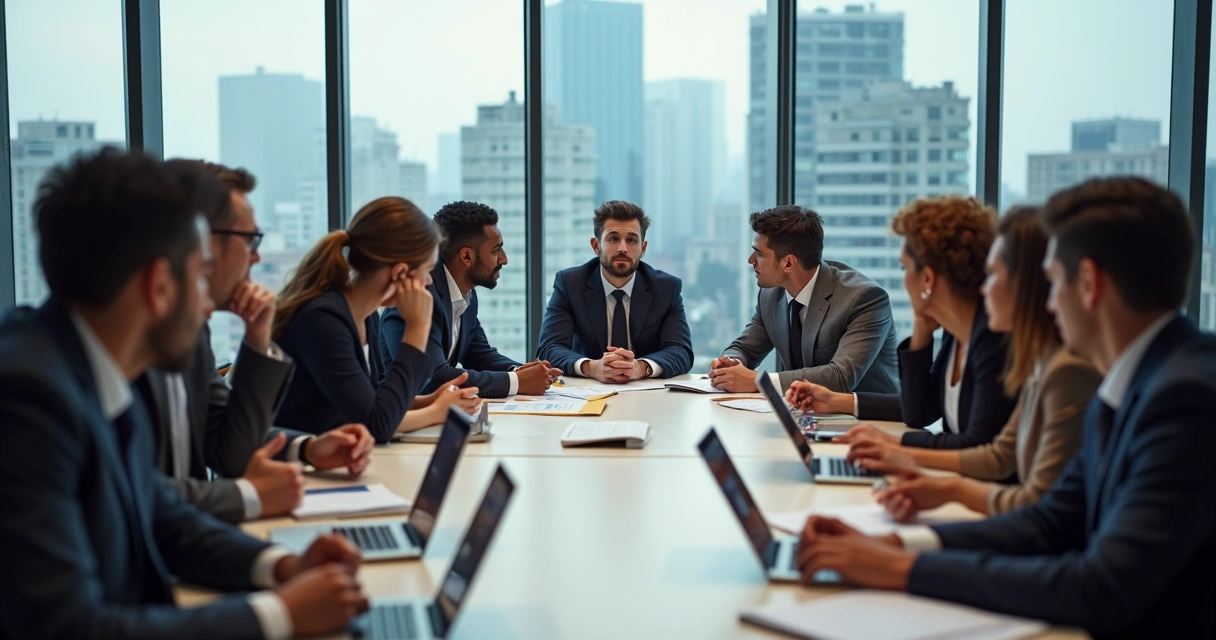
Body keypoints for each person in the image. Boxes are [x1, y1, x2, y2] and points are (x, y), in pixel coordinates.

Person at [793, 177, 1216, 639]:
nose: (1048, 303)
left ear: (1089, 284)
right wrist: (895, 545)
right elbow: (1051, 520)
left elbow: (1100, 588)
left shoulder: (1185, 399)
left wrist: (903, 569)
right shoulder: (1134, 379)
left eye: (1052, 282)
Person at [0, 148, 368, 639]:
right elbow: (70, 629)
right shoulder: (31, 399)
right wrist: (278, 615)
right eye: (200, 274)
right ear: (159, 286)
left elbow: (162, 516)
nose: (206, 302)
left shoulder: (87, 363)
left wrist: (284, 567)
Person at [136, 161, 375, 524]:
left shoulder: (191, 332)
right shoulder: (117, 350)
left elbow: (227, 448)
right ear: (202, 243)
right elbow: (137, 496)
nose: (257, 256)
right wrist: (249, 497)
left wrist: (308, 448)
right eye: (250, 239)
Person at [839, 207, 1101, 518]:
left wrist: (901, 452)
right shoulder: (1025, 355)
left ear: (927, 277)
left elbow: (1029, 495)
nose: (983, 287)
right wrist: (922, 327)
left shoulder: (1044, 360)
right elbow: (932, 418)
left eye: (993, 275)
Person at [786, 195, 1016, 450]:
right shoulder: (955, 335)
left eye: (904, 269)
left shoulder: (993, 340)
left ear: (927, 278)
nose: (904, 281)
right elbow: (919, 412)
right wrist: (922, 329)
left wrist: (894, 444)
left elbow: (977, 445)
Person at [273, 196, 480, 444]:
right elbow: (378, 425)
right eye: (427, 271)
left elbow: (376, 401)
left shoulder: (366, 314)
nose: (428, 282)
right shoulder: (323, 319)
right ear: (400, 273)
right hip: (292, 465)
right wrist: (417, 329)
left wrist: (433, 400)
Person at [710, 205, 899, 394]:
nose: (751, 260)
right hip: (805, 414)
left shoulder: (865, 298)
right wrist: (730, 364)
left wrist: (760, 381)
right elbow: (745, 348)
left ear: (788, 263)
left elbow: (841, 377)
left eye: (759, 253)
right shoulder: (771, 294)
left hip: (869, 419)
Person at [381, 201, 560, 398]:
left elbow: (479, 355)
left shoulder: (465, 293)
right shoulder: (418, 295)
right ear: (466, 256)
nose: (504, 259)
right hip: (392, 421)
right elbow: (431, 378)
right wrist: (517, 382)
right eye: (496, 250)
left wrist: (522, 371)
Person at [538, 201, 694, 382]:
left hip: (646, 396)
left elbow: (681, 351)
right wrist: (592, 367)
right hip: (585, 394)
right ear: (596, 246)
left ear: (643, 249)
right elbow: (549, 348)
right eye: (613, 239)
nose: (622, 248)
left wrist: (640, 367)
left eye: (631, 240)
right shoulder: (570, 284)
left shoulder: (666, 288)